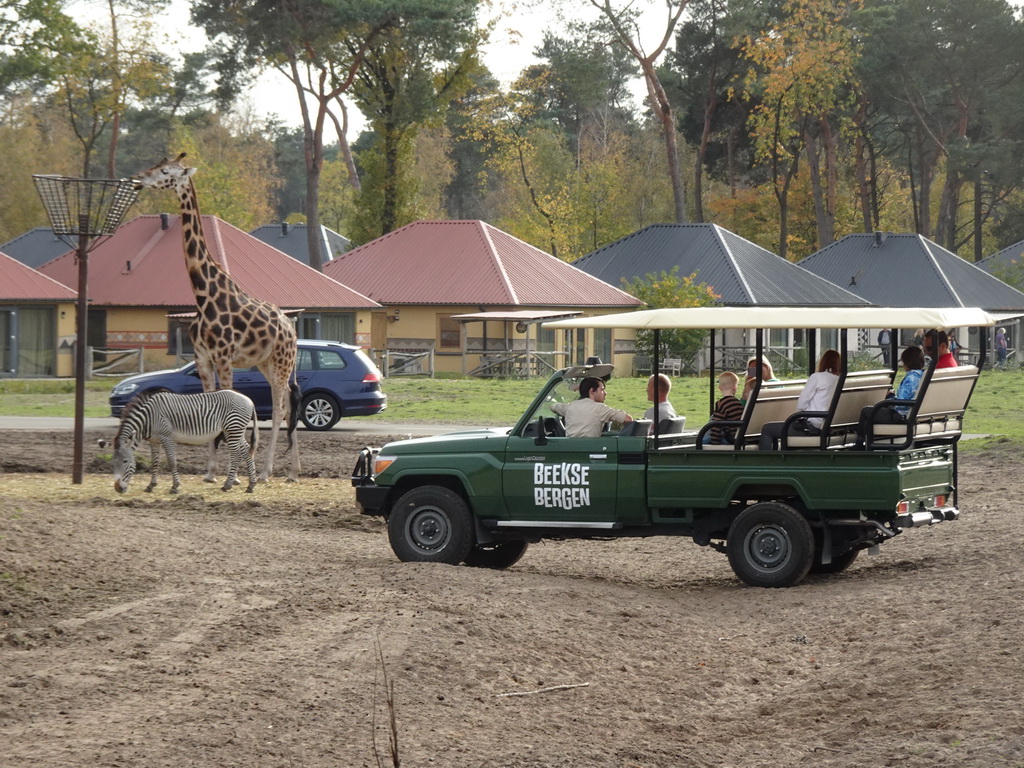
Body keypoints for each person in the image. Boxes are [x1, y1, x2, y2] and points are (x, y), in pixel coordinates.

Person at [758, 350, 841, 451]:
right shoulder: (839, 380)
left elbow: (801, 405)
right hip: (830, 426)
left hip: (812, 426)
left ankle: (765, 463)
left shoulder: (817, 377)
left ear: (823, 362)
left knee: (768, 429)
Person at [854, 345, 925, 449]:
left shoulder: (910, 378)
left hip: (901, 416)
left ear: (907, 362)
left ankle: (860, 444)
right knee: (878, 409)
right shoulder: (922, 376)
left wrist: (890, 397)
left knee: (866, 411)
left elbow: (902, 403)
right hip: (913, 415)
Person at [550, 376, 633, 438]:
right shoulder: (600, 409)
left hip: (570, 449)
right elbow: (628, 419)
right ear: (592, 391)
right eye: (602, 390)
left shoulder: (569, 407)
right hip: (592, 449)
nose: (605, 393)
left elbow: (553, 406)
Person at [703, 371, 744, 445]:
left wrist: (715, 443)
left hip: (729, 439)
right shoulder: (738, 403)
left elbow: (716, 425)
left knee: (703, 440)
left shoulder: (721, 403)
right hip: (739, 437)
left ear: (719, 388)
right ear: (735, 387)